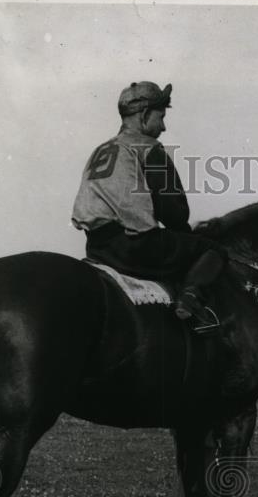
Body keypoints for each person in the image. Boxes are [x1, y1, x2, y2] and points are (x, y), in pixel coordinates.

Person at [71, 81, 224, 328]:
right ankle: (189, 302)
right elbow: (175, 215)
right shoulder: (148, 149)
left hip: (97, 247)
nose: (163, 126)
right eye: (161, 117)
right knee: (213, 250)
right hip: (137, 247)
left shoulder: (101, 150)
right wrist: (189, 239)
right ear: (144, 115)